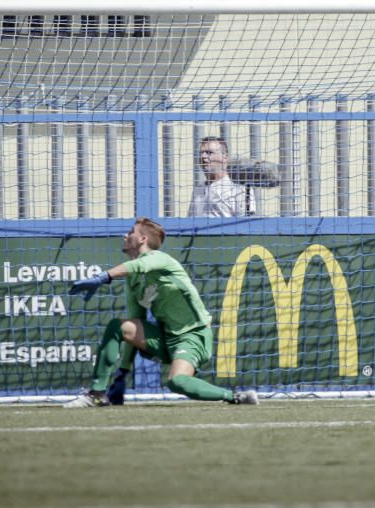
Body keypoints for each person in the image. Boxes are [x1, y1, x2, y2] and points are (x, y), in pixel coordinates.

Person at [64, 217, 259, 407]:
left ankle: (235, 397)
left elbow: (139, 265)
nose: (125, 235)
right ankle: (97, 394)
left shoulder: (159, 258)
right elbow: (134, 324)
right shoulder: (132, 281)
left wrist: (102, 278)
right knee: (118, 326)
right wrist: (122, 373)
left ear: (143, 239)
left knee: (177, 382)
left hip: (193, 335)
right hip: (166, 338)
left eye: (131, 232)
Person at [188, 136, 255, 217]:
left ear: (225, 157)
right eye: (201, 153)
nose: (203, 156)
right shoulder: (198, 190)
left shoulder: (238, 188)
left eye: (209, 153)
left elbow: (246, 224)